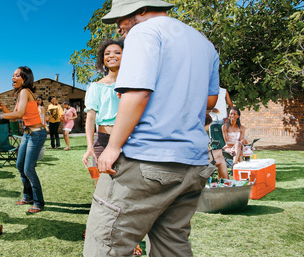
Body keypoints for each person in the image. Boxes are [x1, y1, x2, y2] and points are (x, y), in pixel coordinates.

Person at [85, 1, 220, 256]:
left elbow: (138, 92)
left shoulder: (144, 31)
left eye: (121, 18)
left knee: (104, 245)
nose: (119, 26)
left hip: (146, 161)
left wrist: (113, 146)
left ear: (142, 9)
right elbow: (210, 101)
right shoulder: (205, 44)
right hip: (192, 166)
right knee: (172, 246)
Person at [0, 66, 47, 214]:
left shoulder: (24, 91)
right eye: (13, 75)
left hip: (36, 134)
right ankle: (28, 197)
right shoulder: (22, 93)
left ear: (25, 78)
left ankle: (38, 202)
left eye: (16, 75)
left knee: (28, 168)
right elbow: (18, 115)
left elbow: (19, 113)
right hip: (28, 134)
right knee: (20, 165)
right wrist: (2, 108)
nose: (13, 78)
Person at [82, 38, 123, 186]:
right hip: (102, 141)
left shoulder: (132, 85)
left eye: (117, 52)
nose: (111, 55)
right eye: (107, 53)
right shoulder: (95, 86)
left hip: (128, 140)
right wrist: (90, 146)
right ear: (102, 59)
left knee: (126, 187)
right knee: (100, 185)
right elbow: (90, 118)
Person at [205, 114, 229, 179]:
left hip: (202, 156)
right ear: (207, 124)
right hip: (200, 159)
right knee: (219, 151)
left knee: (221, 160)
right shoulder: (201, 134)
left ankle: (224, 181)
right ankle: (227, 182)